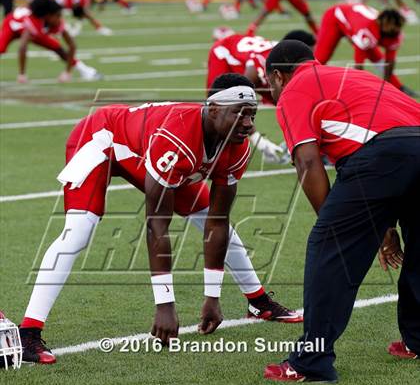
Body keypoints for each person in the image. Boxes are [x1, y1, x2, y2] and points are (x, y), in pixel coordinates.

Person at [19, 74, 302, 364]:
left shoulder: (235, 145)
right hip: (101, 139)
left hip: (149, 151)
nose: (248, 124)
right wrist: (164, 304)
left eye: (252, 115)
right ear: (214, 110)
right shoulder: (177, 137)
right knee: (78, 231)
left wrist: (212, 297)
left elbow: (217, 221)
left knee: (212, 218)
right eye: (239, 114)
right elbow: (157, 225)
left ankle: (257, 302)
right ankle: (29, 331)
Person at [263, 40, 420, 383]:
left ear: (278, 75)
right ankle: (417, 340)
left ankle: (311, 361)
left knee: (328, 248)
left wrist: (335, 226)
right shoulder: (349, 75)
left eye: (269, 85)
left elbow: (307, 160)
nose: (272, 92)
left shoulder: (295, 88)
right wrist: (382, 225)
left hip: (382, 154)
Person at [207, 32, 288, 163]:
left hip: (253, 58)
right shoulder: (257, 70)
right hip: (224, 52)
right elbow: (242, 103)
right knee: (217, 106)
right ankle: (213, 149)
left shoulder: (285, 62)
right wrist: (257, 139)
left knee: (286, 102)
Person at [314, 2, 417, 97]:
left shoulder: (392, 32)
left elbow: (389, 61)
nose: (395, 30)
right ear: (383, 24)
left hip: (356, 24)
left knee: (378, 59)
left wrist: (387, 88)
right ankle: (307, 81)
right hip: (335, 18)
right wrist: (360, 88)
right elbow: (359, 63)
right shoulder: (367, 30)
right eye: (392, 27)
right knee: (320, 59)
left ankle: (398, 87)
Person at [0, 0, 101, 83]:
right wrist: (22, 74)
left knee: (57, 48)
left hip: (33, 30)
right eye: (57, 15)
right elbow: (22, 46)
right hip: (12, 25)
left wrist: (67, 72)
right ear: (47, 16)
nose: (59, 18)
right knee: (1, 48)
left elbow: (71, 45)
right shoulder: (33, 23)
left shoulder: (53, 21)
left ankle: (85, 70)